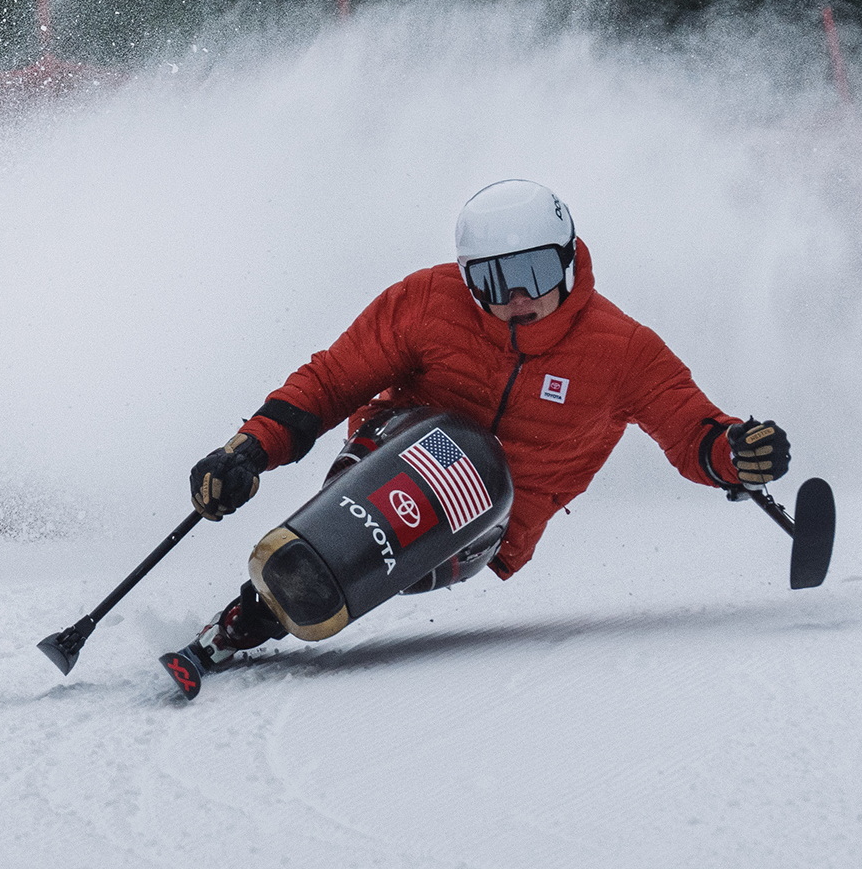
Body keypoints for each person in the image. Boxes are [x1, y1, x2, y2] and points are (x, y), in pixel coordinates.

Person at [179, 178, 790, 670]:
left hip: (488, 523)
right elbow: (333, 380)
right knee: (448, 444)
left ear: (570, 261)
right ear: (469, 277)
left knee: (473, 460)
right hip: (391, 454)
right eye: (495, 280)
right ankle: (256, 610)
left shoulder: (622, 350)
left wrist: (737, 453)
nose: (518, 296)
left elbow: (692, 430)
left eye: (538, 273)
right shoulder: (426, 302)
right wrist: (247, 452)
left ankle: (283, 596)